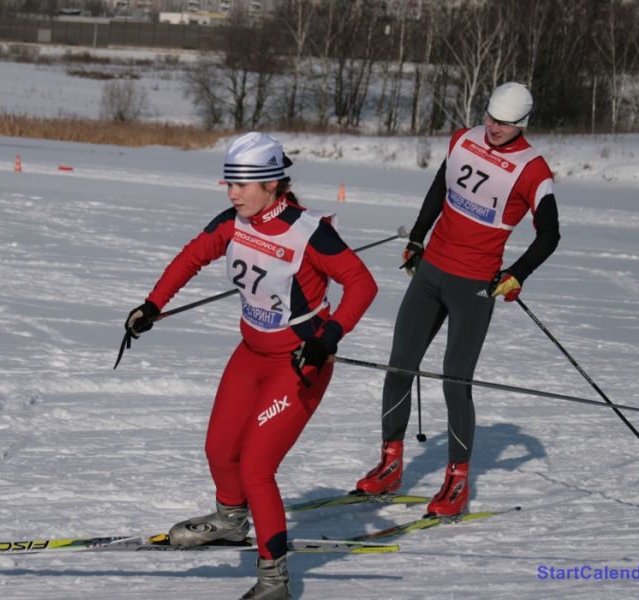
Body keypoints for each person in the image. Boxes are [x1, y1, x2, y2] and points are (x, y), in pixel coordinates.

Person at [125, 132, 377, 600]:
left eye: (242, 184)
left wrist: (328, 336)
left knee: (257, 466)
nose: (232, 193)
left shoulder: (310, 232)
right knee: (220, 450)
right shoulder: (234, 221)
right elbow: (192, 255)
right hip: (250, 354)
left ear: (273, 184)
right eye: (229, 184)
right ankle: (229, 520)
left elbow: (362, 285)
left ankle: (274, 580)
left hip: (299, 362)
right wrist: (152, 304)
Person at [354, 82, 561, 517]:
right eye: (489, 117)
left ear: (522, 124)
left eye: (503, 124)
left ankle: (457, 480)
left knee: (455, 381)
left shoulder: (534, 170)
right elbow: (439, 188)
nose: (493, 128)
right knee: (398, 367)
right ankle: (390, 463)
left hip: (475, 285)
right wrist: (416, 236)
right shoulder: (463, 139)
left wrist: (517, 274)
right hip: (431, 272)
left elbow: (550, 234)